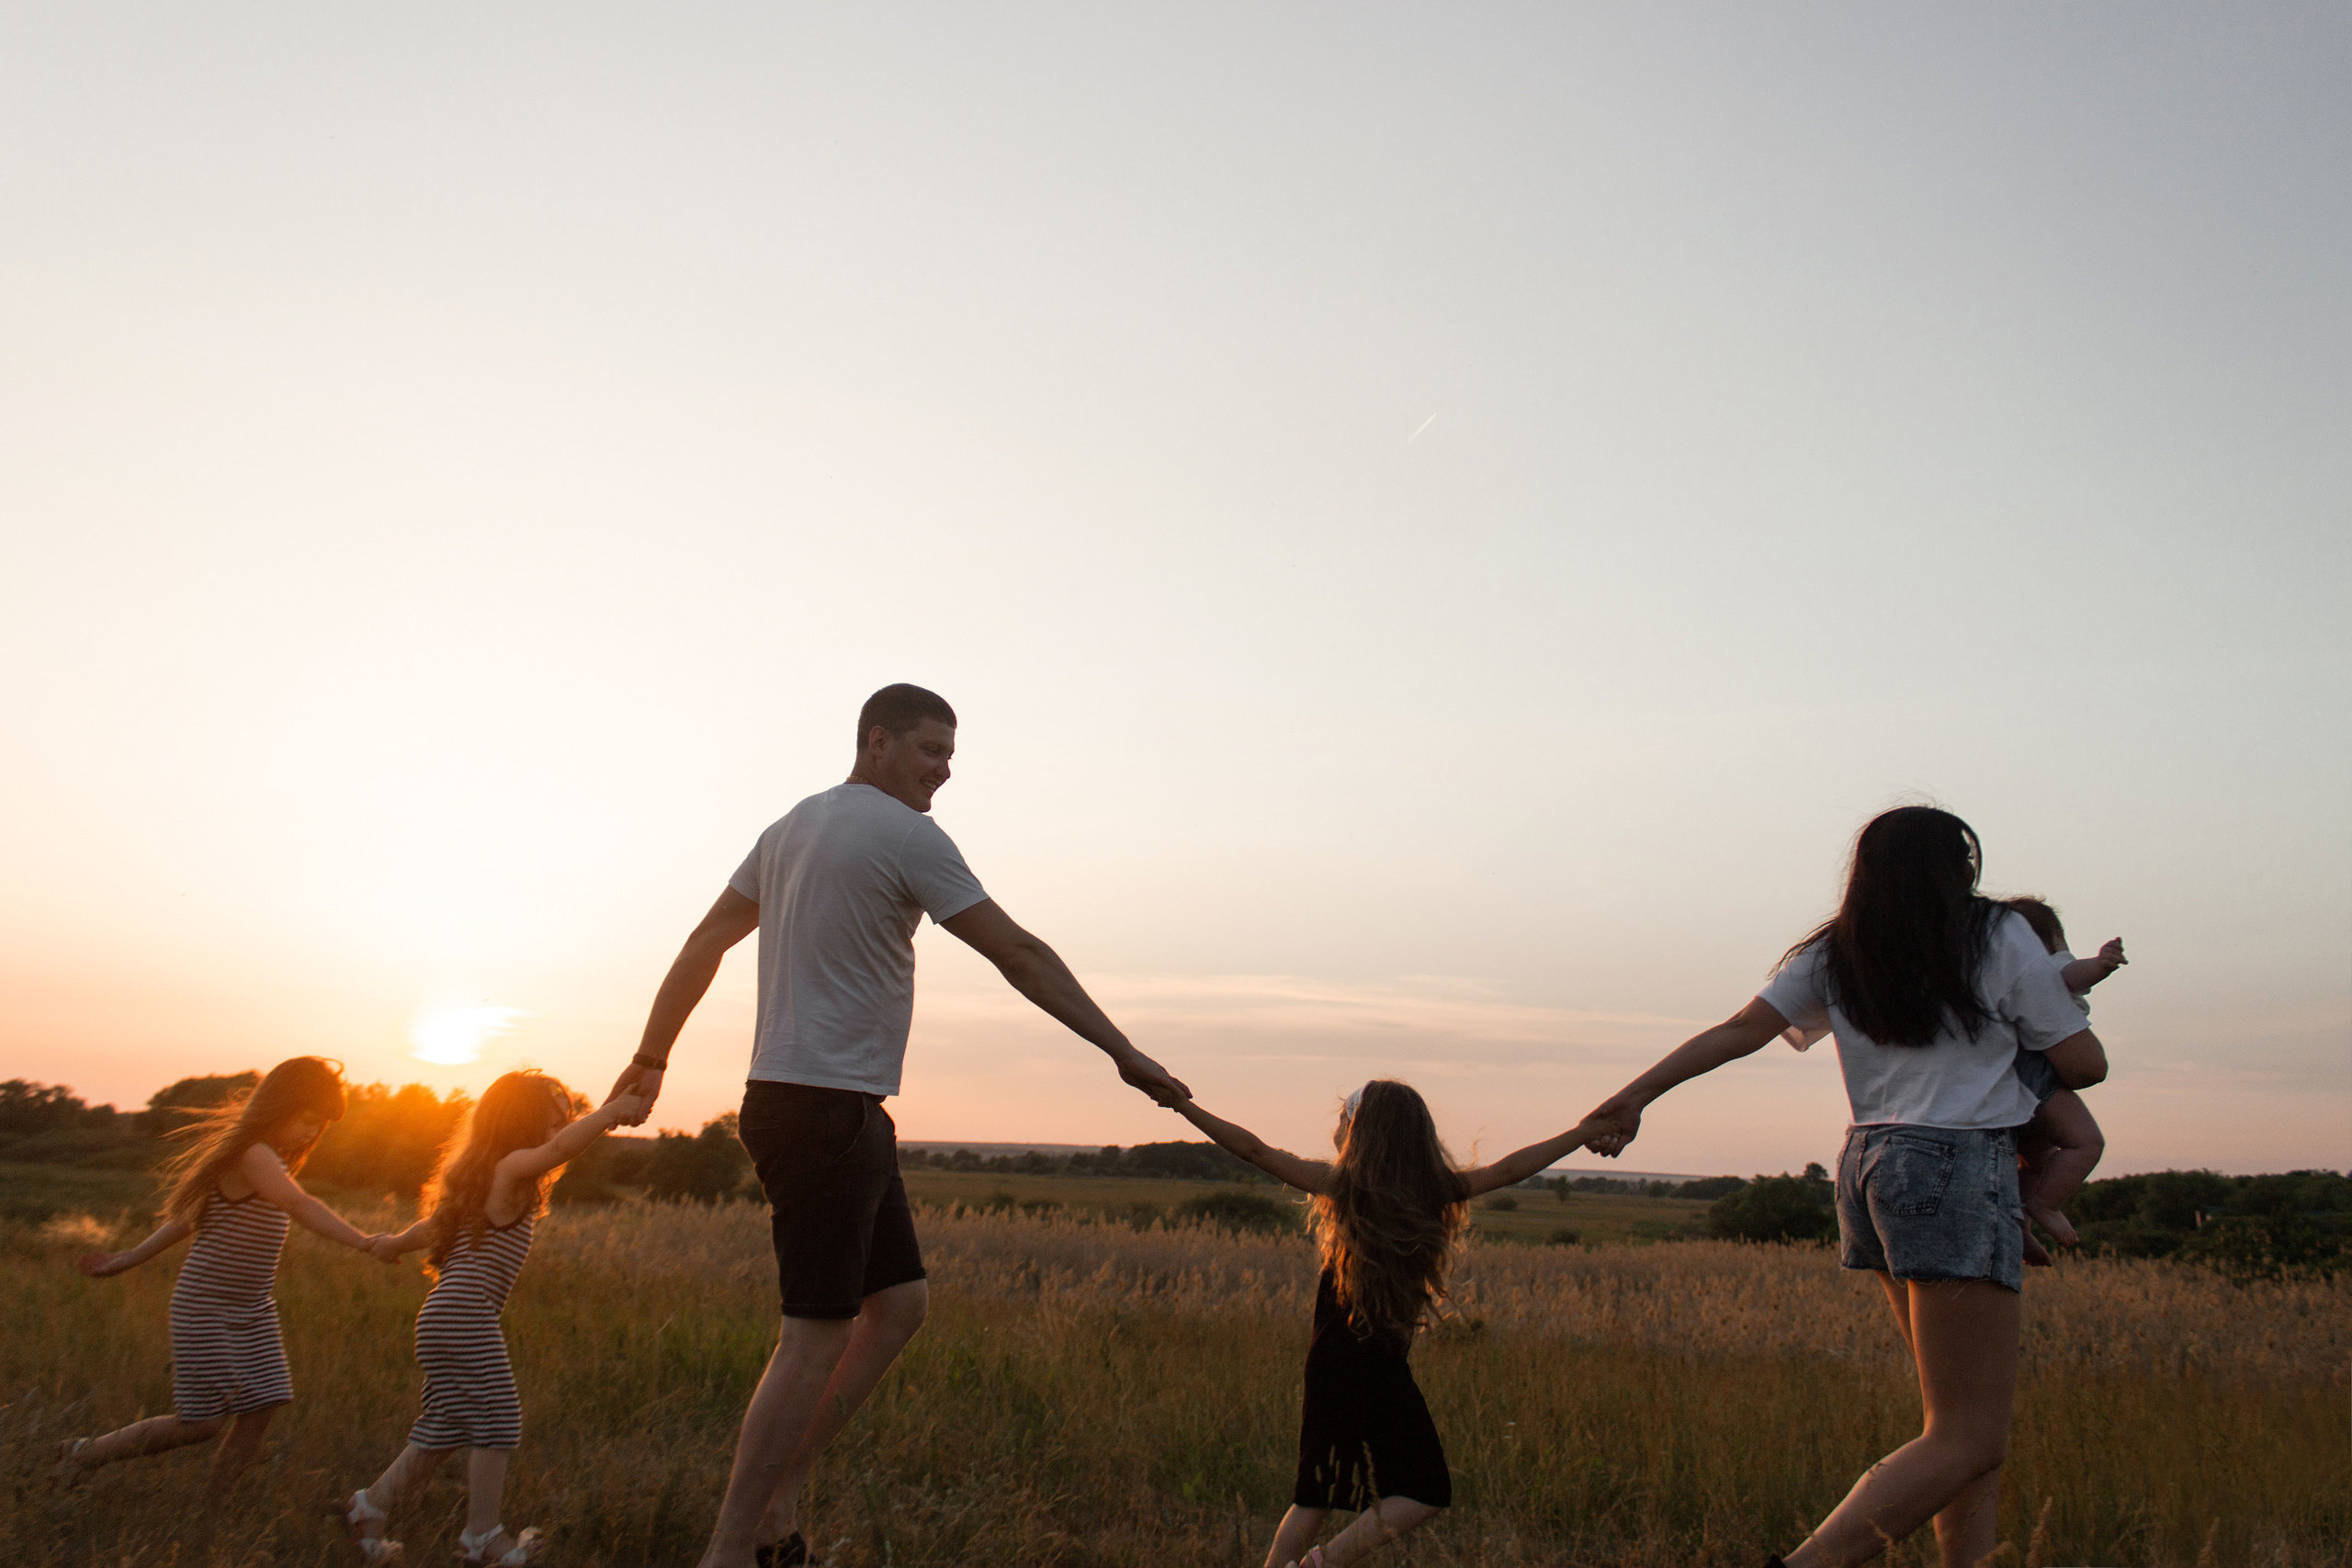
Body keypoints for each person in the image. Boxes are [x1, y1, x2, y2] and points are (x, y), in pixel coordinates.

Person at [603, 682, 1191, 1568]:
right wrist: (1122, 1050)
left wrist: (653, 1055)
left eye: (952, 759)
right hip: (825, 1107)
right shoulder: (906, 835)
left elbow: (704, 940)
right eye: (930, 753)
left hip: (818, 1105)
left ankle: (775, 1499)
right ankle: (731, 1550)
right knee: (814, 1332)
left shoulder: (791, 826)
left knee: (901, 1305)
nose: (943, 774)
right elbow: (1019, 952)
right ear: (876, 741)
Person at [1581, 807, 2108, 1568]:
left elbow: (1740, 1029)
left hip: (1870, 1164)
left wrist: (1635, 1096)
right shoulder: (1994, 934)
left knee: (1956, 1433)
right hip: (1955, 1164)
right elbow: (2084, 1064)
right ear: (1959, 866)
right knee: (1967, 1435)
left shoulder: (1839, 948)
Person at [1163, 1079, 1605, 1568]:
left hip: (1353, 1363)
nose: (1336, 1129)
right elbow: (1512, 1168)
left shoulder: (1345, 1187)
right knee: (1354, 1491)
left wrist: (1184, 1106)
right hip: (1360, 1363)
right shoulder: (1432, 1190)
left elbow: (1253, 1150)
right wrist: (1582, 1131)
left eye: (1342, 1120)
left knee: (1338, 1492)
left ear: (1359, 1131)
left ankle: (1313, 1565)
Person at [329, 1071, 648, 1566]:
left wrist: (393, 1242)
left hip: (442, 1316)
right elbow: (560, 1150)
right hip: (465, 1315)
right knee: (499, 1420)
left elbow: (433, 1225)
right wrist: (608, 1115)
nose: (563, 1124)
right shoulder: (513, 1168)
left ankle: (368, 1507)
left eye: (567, 1116)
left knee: (446, 1426)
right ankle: (481, 1538)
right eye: (554, 1116)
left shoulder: (485, 1180)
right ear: (522, 1122)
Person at [63, 1056, 385, 1484]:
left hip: (253, 1307)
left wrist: (126, 1257)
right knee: (201, 1423)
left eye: (320, 1125)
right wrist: (363, 1241)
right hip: (206, 1305)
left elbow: (185, 1221)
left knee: (264, 1404)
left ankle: (217, 1505)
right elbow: (300, 1205)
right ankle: (84, 1454)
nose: (312, 1132)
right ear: (279, 1105)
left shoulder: (267, 1158)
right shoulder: (254, 1155)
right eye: (307, 1119)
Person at [1999, 897, 2124, 1253]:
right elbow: (2072, 974)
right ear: (2051, 939)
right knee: (2086, 1143)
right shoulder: (2044, 966)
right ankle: (2046, 1205)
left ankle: (2020, 1229)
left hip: (2008, 1082)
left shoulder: (2000, 979)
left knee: (2035, 1162)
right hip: (2038, 1076)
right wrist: (2102, 965)